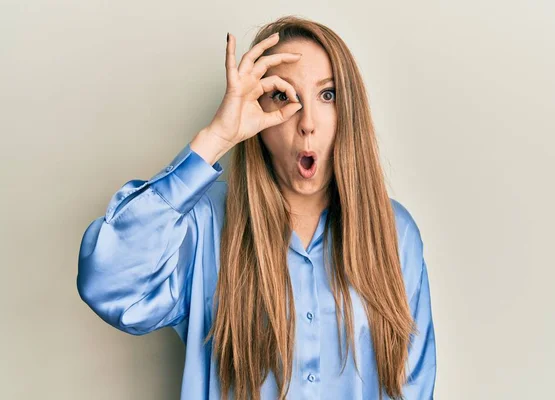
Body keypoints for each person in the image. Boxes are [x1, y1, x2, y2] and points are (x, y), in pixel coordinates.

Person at [77, 15, 437, 400]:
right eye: (283, 96)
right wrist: (216, 137)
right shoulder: (202, 223)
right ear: (258, 116)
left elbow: (411, 387)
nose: (308, 122)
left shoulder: (395, 232)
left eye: (327, 95)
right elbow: (108, 282)